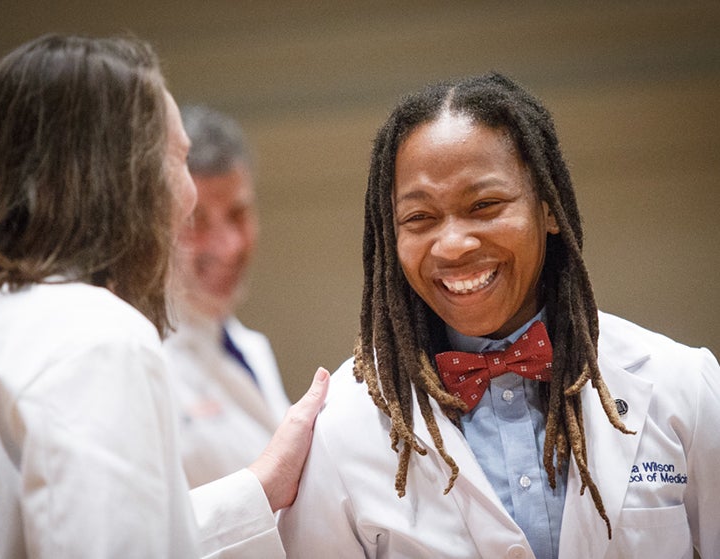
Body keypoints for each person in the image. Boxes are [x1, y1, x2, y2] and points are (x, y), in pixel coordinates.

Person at [278, 73, 719, 558]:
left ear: (549, 210)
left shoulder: (683, 385)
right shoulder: (342, 425)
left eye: (485, 205)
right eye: (419, 218)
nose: (452, 245)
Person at [0, 33, 328, 558]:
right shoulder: (99, 338)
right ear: (120, 180)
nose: (189, 194)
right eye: (177, 160)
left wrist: (260, 490)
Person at [165, 105, 290, 487]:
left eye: (238, 214)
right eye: (195, 221)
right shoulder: (139, 355)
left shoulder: (250, 347)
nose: (229, 246)